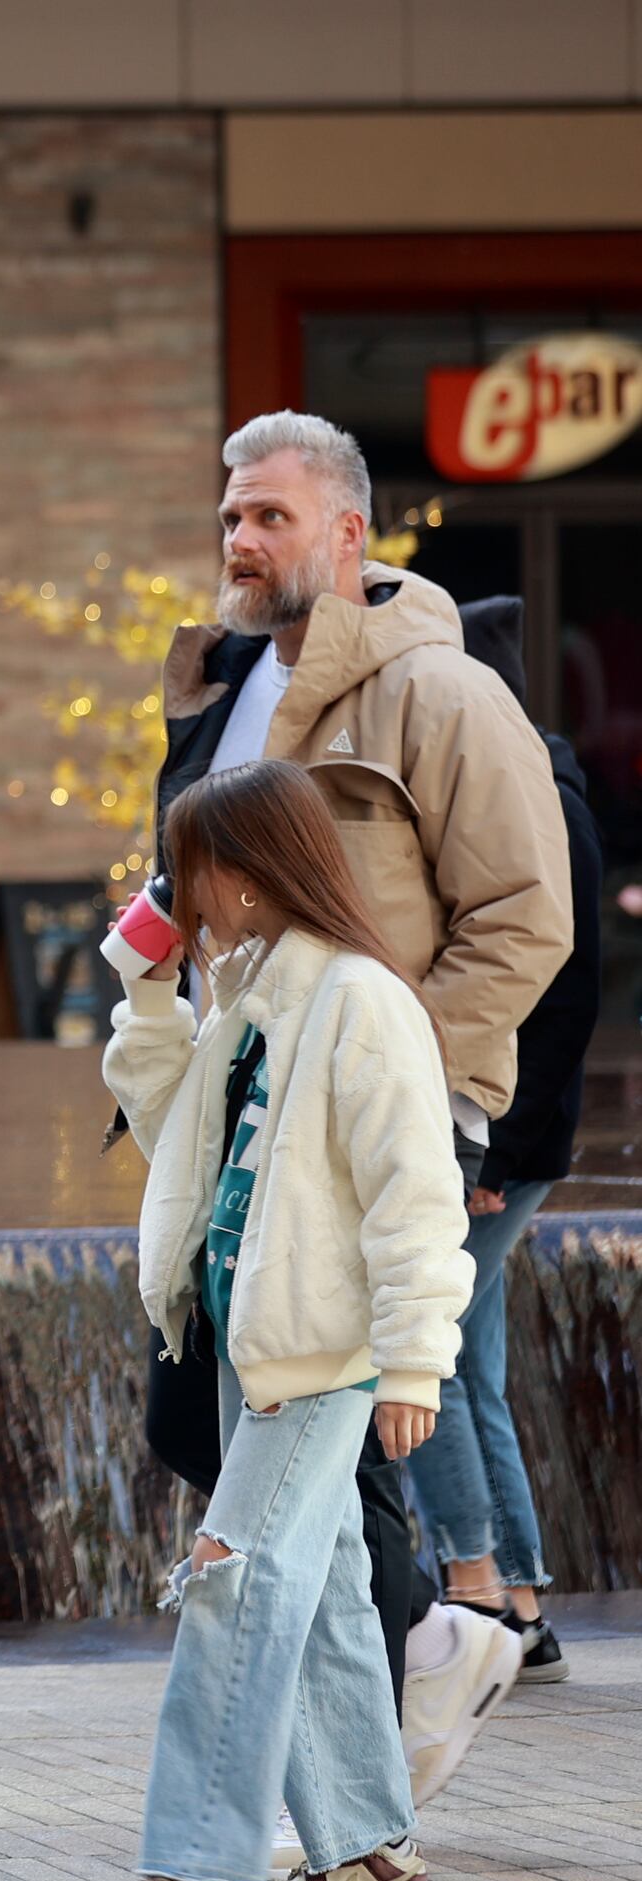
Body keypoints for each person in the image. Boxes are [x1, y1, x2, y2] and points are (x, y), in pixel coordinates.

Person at [136, 410, 565, 1810]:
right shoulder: (225, 696)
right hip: (235, 1112)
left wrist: (409, 1084)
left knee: (314, 1436)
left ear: (349, 533)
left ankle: (355, 1764)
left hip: (373, 1116)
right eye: (230, 516)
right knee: (202, 1418)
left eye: (270, 515)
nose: (242, 540)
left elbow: (523, 919)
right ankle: (432, 1653)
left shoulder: (440, 694)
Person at [104, 759, 470, 1881]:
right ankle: (369, 1851)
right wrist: (148, 997)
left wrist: (415, 1362)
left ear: (250, 875)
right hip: (250, 1342)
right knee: (319, 1602)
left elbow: (416, 1193)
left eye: (193, 869)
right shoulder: (259, 995)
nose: (182, 894)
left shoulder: (360, 999)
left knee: (236, 1576)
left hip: (320, 1355)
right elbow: (180, 1149)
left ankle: (200, 1867)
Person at [407, 597, 602, 1685]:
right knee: (471, 1357)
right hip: (507, 1136)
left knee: (429, 1352)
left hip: (497, 1141)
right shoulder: (541, 783)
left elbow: (557, 993)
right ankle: (518, 1599)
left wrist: (498, 1154)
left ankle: (481, 1591)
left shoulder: (529, 799)